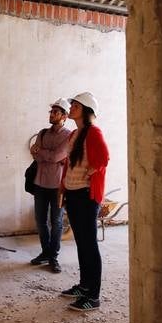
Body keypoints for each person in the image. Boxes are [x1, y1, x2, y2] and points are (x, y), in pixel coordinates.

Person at [60, 92, 110, 311]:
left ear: (86, 110)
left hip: (86, 196)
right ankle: (84, 286)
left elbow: (104, 157)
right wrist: (63, 188)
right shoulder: (74, 134)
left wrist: (92, 171)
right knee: (81, 243)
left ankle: (93, 296)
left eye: (76, 106)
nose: (71, 108)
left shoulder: (94, 132)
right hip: (73, 193)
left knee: (89, 244)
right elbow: (69, 164)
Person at [29, 98, 73, 273]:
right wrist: (50, 156)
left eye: (56, 112)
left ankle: (53, 257)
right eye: (51, 111)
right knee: (40, 221)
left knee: (56, 221)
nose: (52, 114)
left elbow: (55, 157)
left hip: (58, 186)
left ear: (64, 116)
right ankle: (45, 252)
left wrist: (43, 153)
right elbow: (35, 154)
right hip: (40, 183)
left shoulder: (69, 136)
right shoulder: (42, 133)